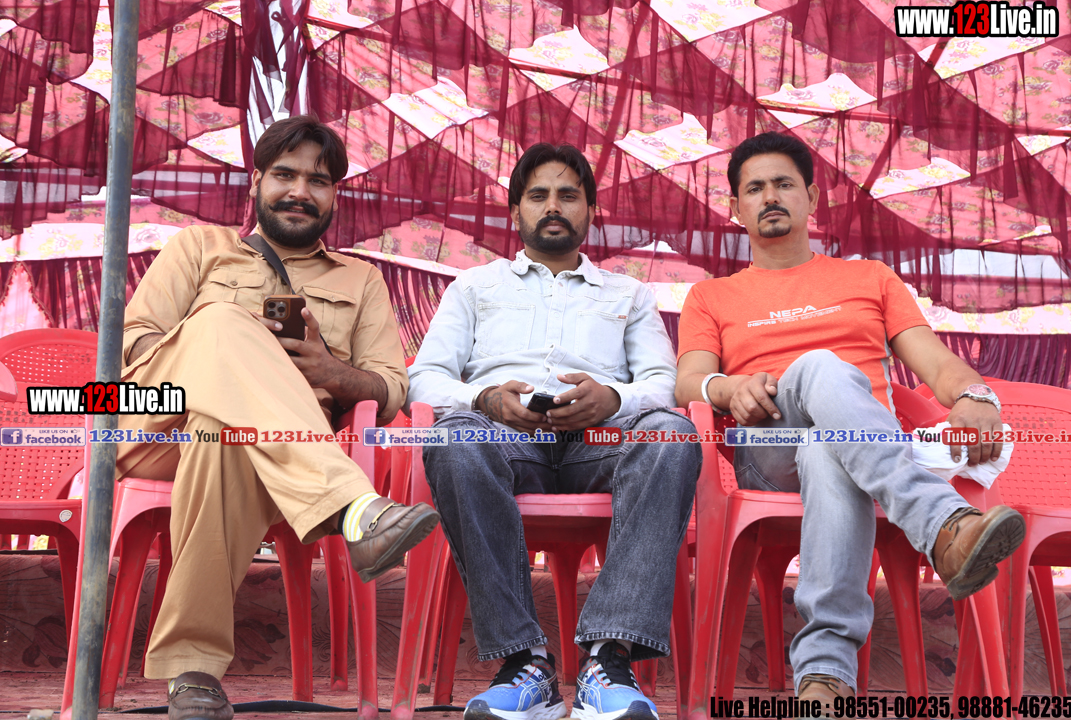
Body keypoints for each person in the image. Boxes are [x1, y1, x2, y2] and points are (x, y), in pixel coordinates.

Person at [674, 131, 1026, 707]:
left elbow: (937, 364)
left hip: (855, 448)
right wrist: (730, 387)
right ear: (736, 208)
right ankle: (942, 525)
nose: (770, 197)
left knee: (826, 447)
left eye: (783, 184)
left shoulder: (871, 279)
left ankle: (824, 678)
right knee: (820, 368)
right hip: (770, 443)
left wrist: (977, 396)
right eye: (755, 188)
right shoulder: (711, 296)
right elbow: (688, 381)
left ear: (812, 197)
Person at [118, 116, 440, 720]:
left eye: (317, 181)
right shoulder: (199, 248)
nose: (300, 191)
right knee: (220, 323)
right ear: (256, 182)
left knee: (224, 436)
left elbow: (391, 388)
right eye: (285, 175)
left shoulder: (361, 280)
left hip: (275, 447)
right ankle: (353, 507)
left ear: (334, 194)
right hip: (159, 424)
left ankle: (193, 673)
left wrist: (330, 370)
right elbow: (133, 343)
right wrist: (228, 351)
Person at [408, 143, 702, 720]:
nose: (553, 206)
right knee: (455, 439)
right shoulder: (474, 287)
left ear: (590, 210)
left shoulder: (629, 294)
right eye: (538, 195)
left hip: (602, 443)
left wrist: (612, 399)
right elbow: (424, 379)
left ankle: (608, 660)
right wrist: (486, 399)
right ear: (515, 210)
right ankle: (525, 663)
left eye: (568, 195)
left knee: (671, 435)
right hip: (504, 440)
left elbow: (663, 385)